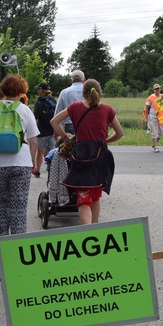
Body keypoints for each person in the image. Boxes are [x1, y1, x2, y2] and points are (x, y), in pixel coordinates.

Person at [50, 78, 124, 225]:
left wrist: (65, 137)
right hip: (101, 156)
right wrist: (105, 141)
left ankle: (87, 231)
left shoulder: (75, 107)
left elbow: (54, 122)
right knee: (96, 197)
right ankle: (94, 230)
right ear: (99, 93)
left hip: (81, 156)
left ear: (83, 94)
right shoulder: (108, 110)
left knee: (83, 199)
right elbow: (120, 133)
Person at [0, 74, 39, 236]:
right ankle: (18, 244)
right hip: (21, 164)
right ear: (21, 91)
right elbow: (33, 141)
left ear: (3, 89)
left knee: (1, 204)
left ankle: (3, 242)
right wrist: (32, 163)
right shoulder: (25, 110)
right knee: (19, 206)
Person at [32, 82, 56, 178]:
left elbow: (36, 117)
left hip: (42, 130)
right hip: (52, 129)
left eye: (39, 89)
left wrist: (34, 131)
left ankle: (37, 171)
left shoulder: (38, 101)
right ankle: (54, 170)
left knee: (40, 152)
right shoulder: (53, 99)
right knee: (53, 151)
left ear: (41, 90)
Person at [54, 69, 85, 136]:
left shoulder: (64, 92)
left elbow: (58, 112)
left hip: (70, 124)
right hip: (86, 124)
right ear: (83, 80)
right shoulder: (88, 92)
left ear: (71, 80)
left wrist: (56, 133)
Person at [145, 83, 163, 153]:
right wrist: (146, 118)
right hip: (153, 117)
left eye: (158, 88)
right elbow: (146, 108)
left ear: (160, 89)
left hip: (161, 117)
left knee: (161, 133)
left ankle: (154, 144)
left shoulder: (162, 96)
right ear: (153, 90)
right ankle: (155, 147)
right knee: (154, 132)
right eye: (156, 89)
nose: (157, 90)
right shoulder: (150, 98)